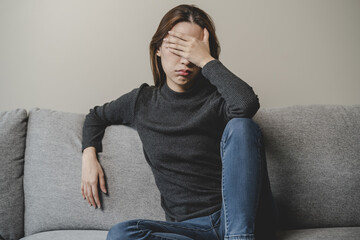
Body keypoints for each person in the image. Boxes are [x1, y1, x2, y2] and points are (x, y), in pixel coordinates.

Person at [81, 4, 279, 240]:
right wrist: (88, 156)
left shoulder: (217, 100)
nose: (185, 61)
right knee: (120, 234)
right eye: (177, 48)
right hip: (190, 229)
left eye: (192, 51)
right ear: (158, 49)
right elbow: (95, 116)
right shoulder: (140, 102)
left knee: (242, 125)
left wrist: (206, 60)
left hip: (239, 220)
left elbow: (246, 105)